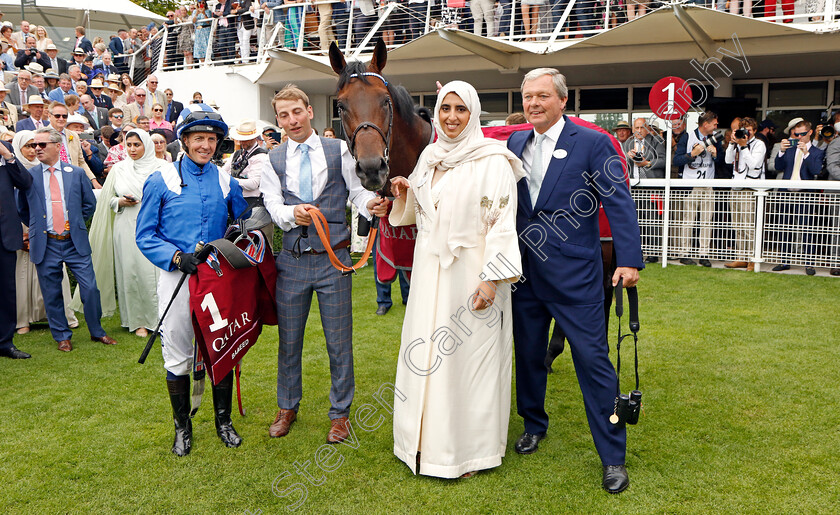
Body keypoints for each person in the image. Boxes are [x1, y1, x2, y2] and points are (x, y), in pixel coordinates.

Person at [506, 68, 643, 493]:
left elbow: (618, 202)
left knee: (593, 362)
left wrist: (629, 259)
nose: (534, 104)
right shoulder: (514, 142)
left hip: (577, 278)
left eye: (543, 96)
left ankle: (612, 457)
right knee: (528, 356)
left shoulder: (593, 142)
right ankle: (533, 424)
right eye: (528, 97)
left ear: (562, 101)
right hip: (524, 276)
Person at [387, 81, 522, 478]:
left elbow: (501, 224)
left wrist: (491, 280)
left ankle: (468, 453)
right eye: (445, 108)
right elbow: (425, 212)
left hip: (472, 277)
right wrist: (405, 192)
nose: (451, 117)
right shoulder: (430, 156)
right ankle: (423, 442)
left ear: (474, 113)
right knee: (426, 355)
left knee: (468, 363)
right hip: (430, 275)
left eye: (460, 109)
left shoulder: (493, 160)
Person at [261, 84, 386, 443]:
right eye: (283, 115)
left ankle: (340, 414)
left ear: (309, 111)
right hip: (292, 262)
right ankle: (287, 406)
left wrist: (369, 206)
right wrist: (291, 213)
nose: (291, 120)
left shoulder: (338, 150)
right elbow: (272, 203)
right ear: (279, 120)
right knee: (289, 341)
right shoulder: (273, 158)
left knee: (339, 341)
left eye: (296, 112)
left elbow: (358, 192)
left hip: (334, 261)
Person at [136, 104, 249, 456]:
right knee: (178, 352)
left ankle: (223, 421)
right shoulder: (160, 179)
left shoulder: (226, 180)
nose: (206, 145)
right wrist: (175, 257)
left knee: (222, 348)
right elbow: (145, 234)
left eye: (212, 139)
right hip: (177, 277)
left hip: (217, 279)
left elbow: (242, 222)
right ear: (184, 140)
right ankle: (182, 428)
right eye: (199, 138)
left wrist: (243, 232)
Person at [17, 127, 117, 353]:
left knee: (90, 288)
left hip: (74, 242)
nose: (37, 149)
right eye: (34, 145)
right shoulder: (29, 176)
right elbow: (21, 208)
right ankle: (62, 336)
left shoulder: (77, 173)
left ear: (57, 146)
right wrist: (38, 228)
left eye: (42, 145)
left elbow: (89, 204)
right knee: (51, 292)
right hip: (46, 243)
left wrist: (76, 220)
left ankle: (97, 331)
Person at [86, 129, 162, 337]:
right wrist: (119, 201)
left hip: (156, 226)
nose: (133, 149)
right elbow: (106, 201)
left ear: (146, 144)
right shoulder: (119, 169)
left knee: (156, 272)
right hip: (126, 224)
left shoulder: (163, 167)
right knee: (131, 272)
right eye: (129, 145)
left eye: (137, 144)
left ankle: (161, 319)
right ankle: (138, 321)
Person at [13, 130, 79, 337]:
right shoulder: (11, 170)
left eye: (37, 145)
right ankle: (22, 319)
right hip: (21, 227)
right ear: (18, 148)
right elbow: (17, 205)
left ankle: (59, 318)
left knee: (51, 274)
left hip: (48, 229)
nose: (34, 150)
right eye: (29, 146)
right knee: (22, 274)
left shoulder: (47, 169)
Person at [772, 118, 824, 275]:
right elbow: (777, 167)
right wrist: (781, 151)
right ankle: (784, 261)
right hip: (787, 193)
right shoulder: (789, 149)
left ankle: (809, 263)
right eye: (796, 134)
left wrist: (806, 153)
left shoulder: (817, 152)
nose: (798, 137)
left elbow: (816, 170)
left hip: (805, 195)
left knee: (807, 228)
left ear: (809, 132)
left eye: (802, 134)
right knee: (784, 227)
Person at [673, 111, 722, 267]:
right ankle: (684, 253)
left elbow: (722, 161)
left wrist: (715, 154)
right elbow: (676, 160)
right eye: (714, 123)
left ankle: (704, 254)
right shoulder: (688, 137)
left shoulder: (715, 138)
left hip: (708, 184)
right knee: (688, 220)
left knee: (707, 221)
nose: (716, 126)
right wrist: (692, 154)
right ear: (705, 124)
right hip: (691, 184)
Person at [1, 130, 34, 359]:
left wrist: (8, 155)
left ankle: (5, 343)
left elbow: (25, 182)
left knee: (5, 291)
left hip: (4, 234)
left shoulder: (6, 150)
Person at [723, 117, 765, 271]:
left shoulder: (759, 144)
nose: (745, 133)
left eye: (748, 130)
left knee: (749, 227)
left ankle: (753, 259)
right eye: (743, 130)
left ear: (754, 131)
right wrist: (733, 143)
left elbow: (754, 164)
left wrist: (744, 146)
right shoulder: (737, 143)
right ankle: (741, 257)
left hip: (749, 189)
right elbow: (728, 160)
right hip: (736, 187)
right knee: (737, 226)